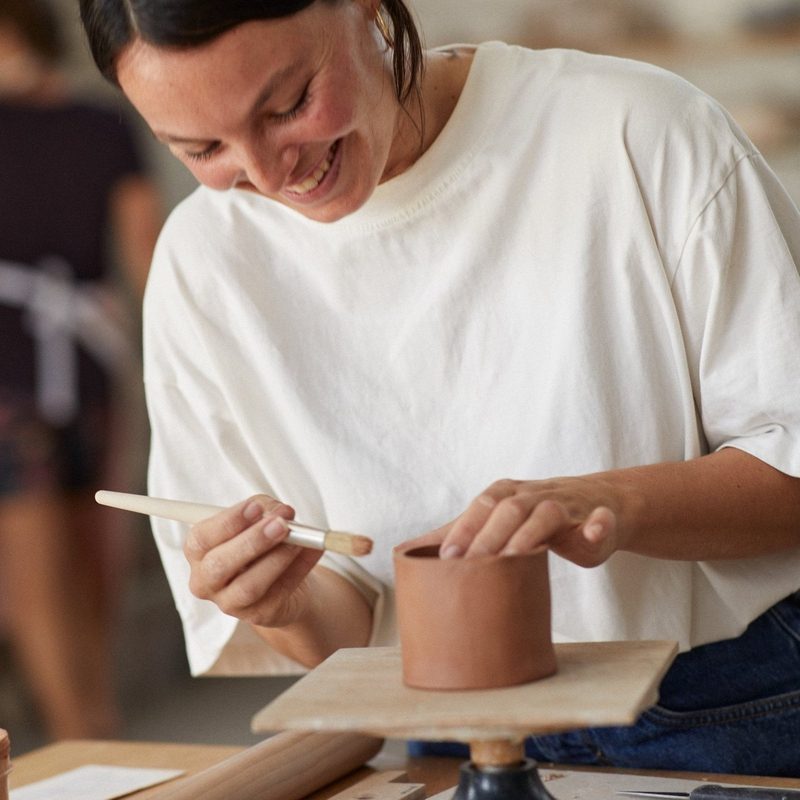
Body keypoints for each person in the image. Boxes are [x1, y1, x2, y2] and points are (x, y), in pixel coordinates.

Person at [78, 0, 800, 775]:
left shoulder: (638, 131)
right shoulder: (204, 264)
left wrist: (615, 502)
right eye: (201, 147)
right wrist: (281, 607)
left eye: (287, 104)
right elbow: (349, 629)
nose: (264, 172)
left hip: (723, 699)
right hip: (448, 728)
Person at [0, 0, 162, 739]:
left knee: (62, 583)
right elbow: (147, 254)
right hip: (58, 371)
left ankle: (90, 748)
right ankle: (93, 742)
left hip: (55, 368)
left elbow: (147, 251)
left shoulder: (100, 123)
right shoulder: (101, 121)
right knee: (64, 585)